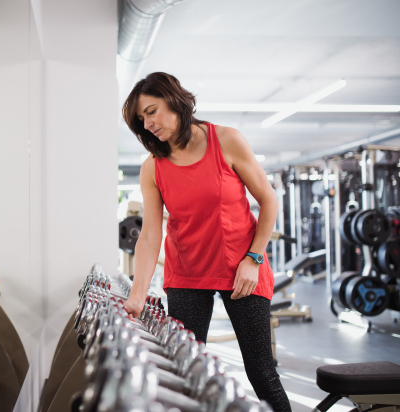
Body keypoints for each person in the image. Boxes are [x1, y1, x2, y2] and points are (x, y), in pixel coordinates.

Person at [121, 72, 292, 412]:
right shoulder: (152, 167)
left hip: (242, 270)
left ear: (175, 100)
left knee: (262, 373)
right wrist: (137, 294)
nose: (148, 123)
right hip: (187, 275)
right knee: (184, 373)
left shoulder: (227, 140)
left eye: (152, 111)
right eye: (142, 119)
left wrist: (253, 258)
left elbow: (269, 201)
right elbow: (151, 233)